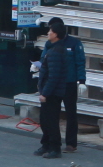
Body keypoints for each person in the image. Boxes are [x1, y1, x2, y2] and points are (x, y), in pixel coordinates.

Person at [34, 18, 85, 159]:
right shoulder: (50, 45)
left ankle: (70, 143)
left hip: (67, 83)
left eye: (51, 29)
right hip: (54, 85)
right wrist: (38, 65)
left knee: (69, 113)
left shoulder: (72, 44)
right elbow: (44, 59)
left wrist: (82, 81)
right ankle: (47, 143)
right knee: (48, 116)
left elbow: (79, 62)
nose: (48, 32)